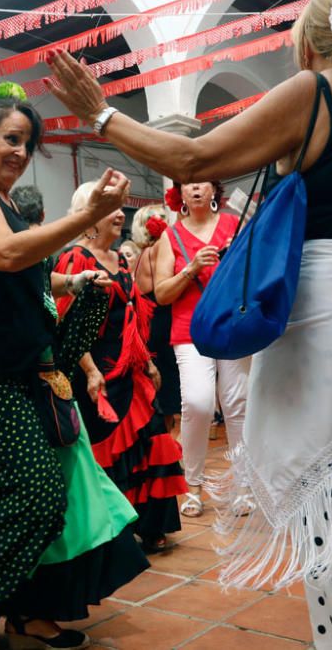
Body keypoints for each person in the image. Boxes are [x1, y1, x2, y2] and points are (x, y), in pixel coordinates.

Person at [45, 0, 332, 647]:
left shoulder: (314, 92)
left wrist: (101, 114)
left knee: (322, 480)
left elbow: (192, 159)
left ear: (308, 42)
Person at [0, 87, 148, 650]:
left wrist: (73, 280)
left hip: (25, 368)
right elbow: (7, 255)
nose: (20, 151)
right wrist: (87, 215)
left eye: (28, 143)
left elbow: (28, 274)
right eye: (10, 139)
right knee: (36, 489)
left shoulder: (7, 201)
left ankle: (25, 611)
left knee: (21, 488)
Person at [55, 182, 187, 553]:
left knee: (151, 441)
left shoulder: (123, 260)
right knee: (107, 450)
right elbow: (66, 324)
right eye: (112, 208)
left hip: (130, 370)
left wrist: (146, 361)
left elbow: (133, 318)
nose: (120, 214)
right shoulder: (74, 260)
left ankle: (152, 526)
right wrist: (91, 371)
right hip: (94, 373)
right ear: (90, 215)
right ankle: (112, 533)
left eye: (121, 208)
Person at [151, 179, 250, 519]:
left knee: (238, 403)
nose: (194, 189)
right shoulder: (171, 235)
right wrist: (192, 268)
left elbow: (254, 272)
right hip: (189, 329)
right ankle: (192, 486)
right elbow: (162, 294)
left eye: (201, 183)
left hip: (233, 325)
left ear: (213, 191)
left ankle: (243, 488)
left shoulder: (234, 226)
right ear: (179, 194)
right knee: (197, 401)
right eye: (188, 185)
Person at [131, 205, 182, 434]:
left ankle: (168, 444)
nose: (165, 222)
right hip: (164, 324)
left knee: (162, 391)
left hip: (150, 328)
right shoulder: (160, 248)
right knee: (170, 390)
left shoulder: (141, 256)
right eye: (161, 218)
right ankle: (173, 447)